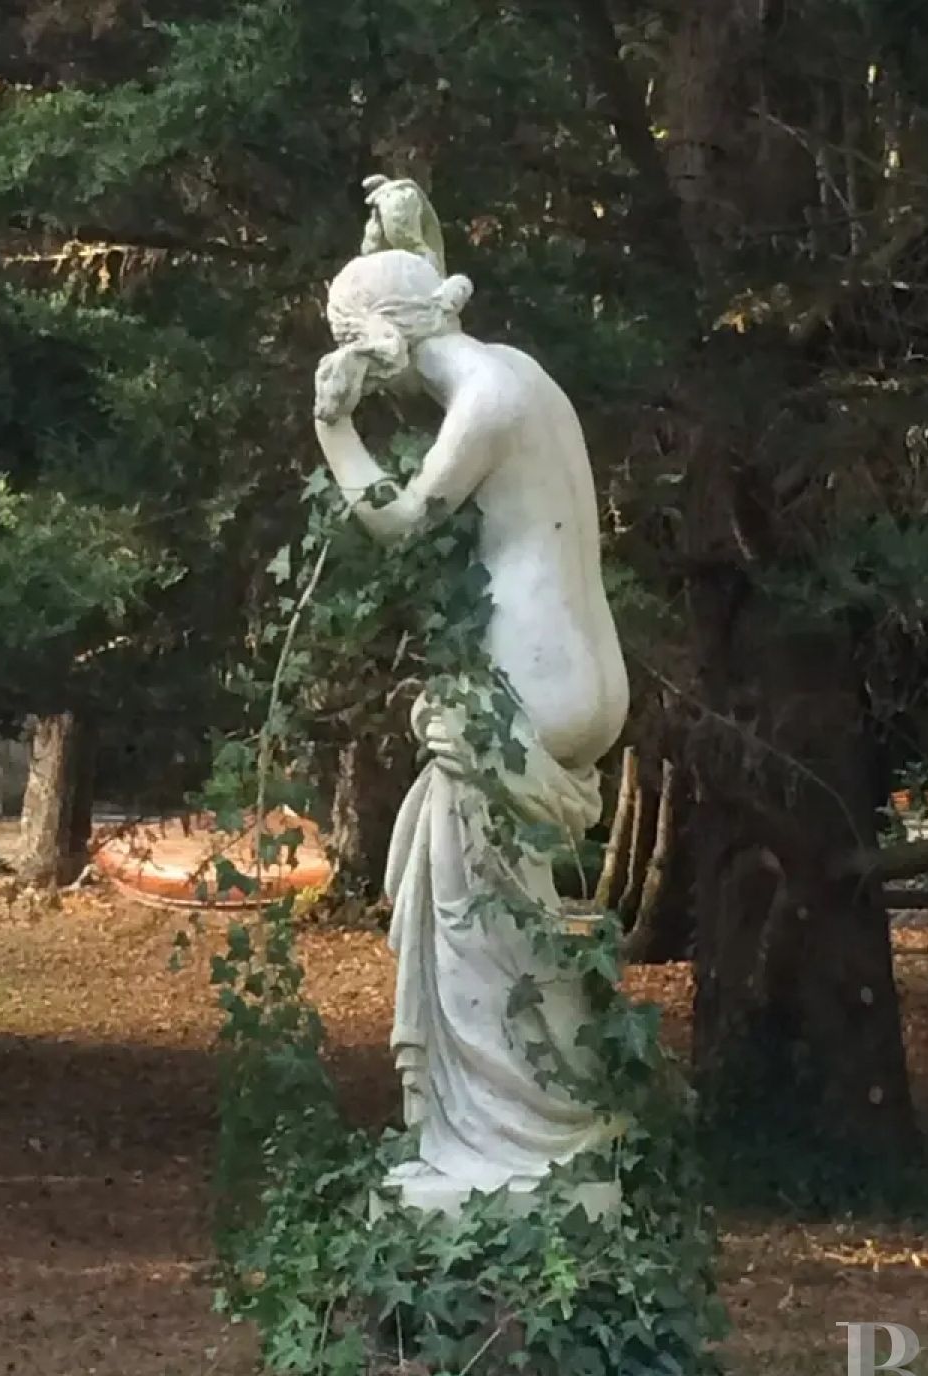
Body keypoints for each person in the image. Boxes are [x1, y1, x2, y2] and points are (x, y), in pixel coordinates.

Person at [314, 211, 629, 1211]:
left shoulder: (484, 398)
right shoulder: (515, 370)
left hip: (528, 685)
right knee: (498, 897)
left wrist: (334, 427)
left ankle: (514, 1133)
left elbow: (401, 522)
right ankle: (524, 1124)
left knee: (471, 912)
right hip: (579, 673)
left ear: (383, 347)